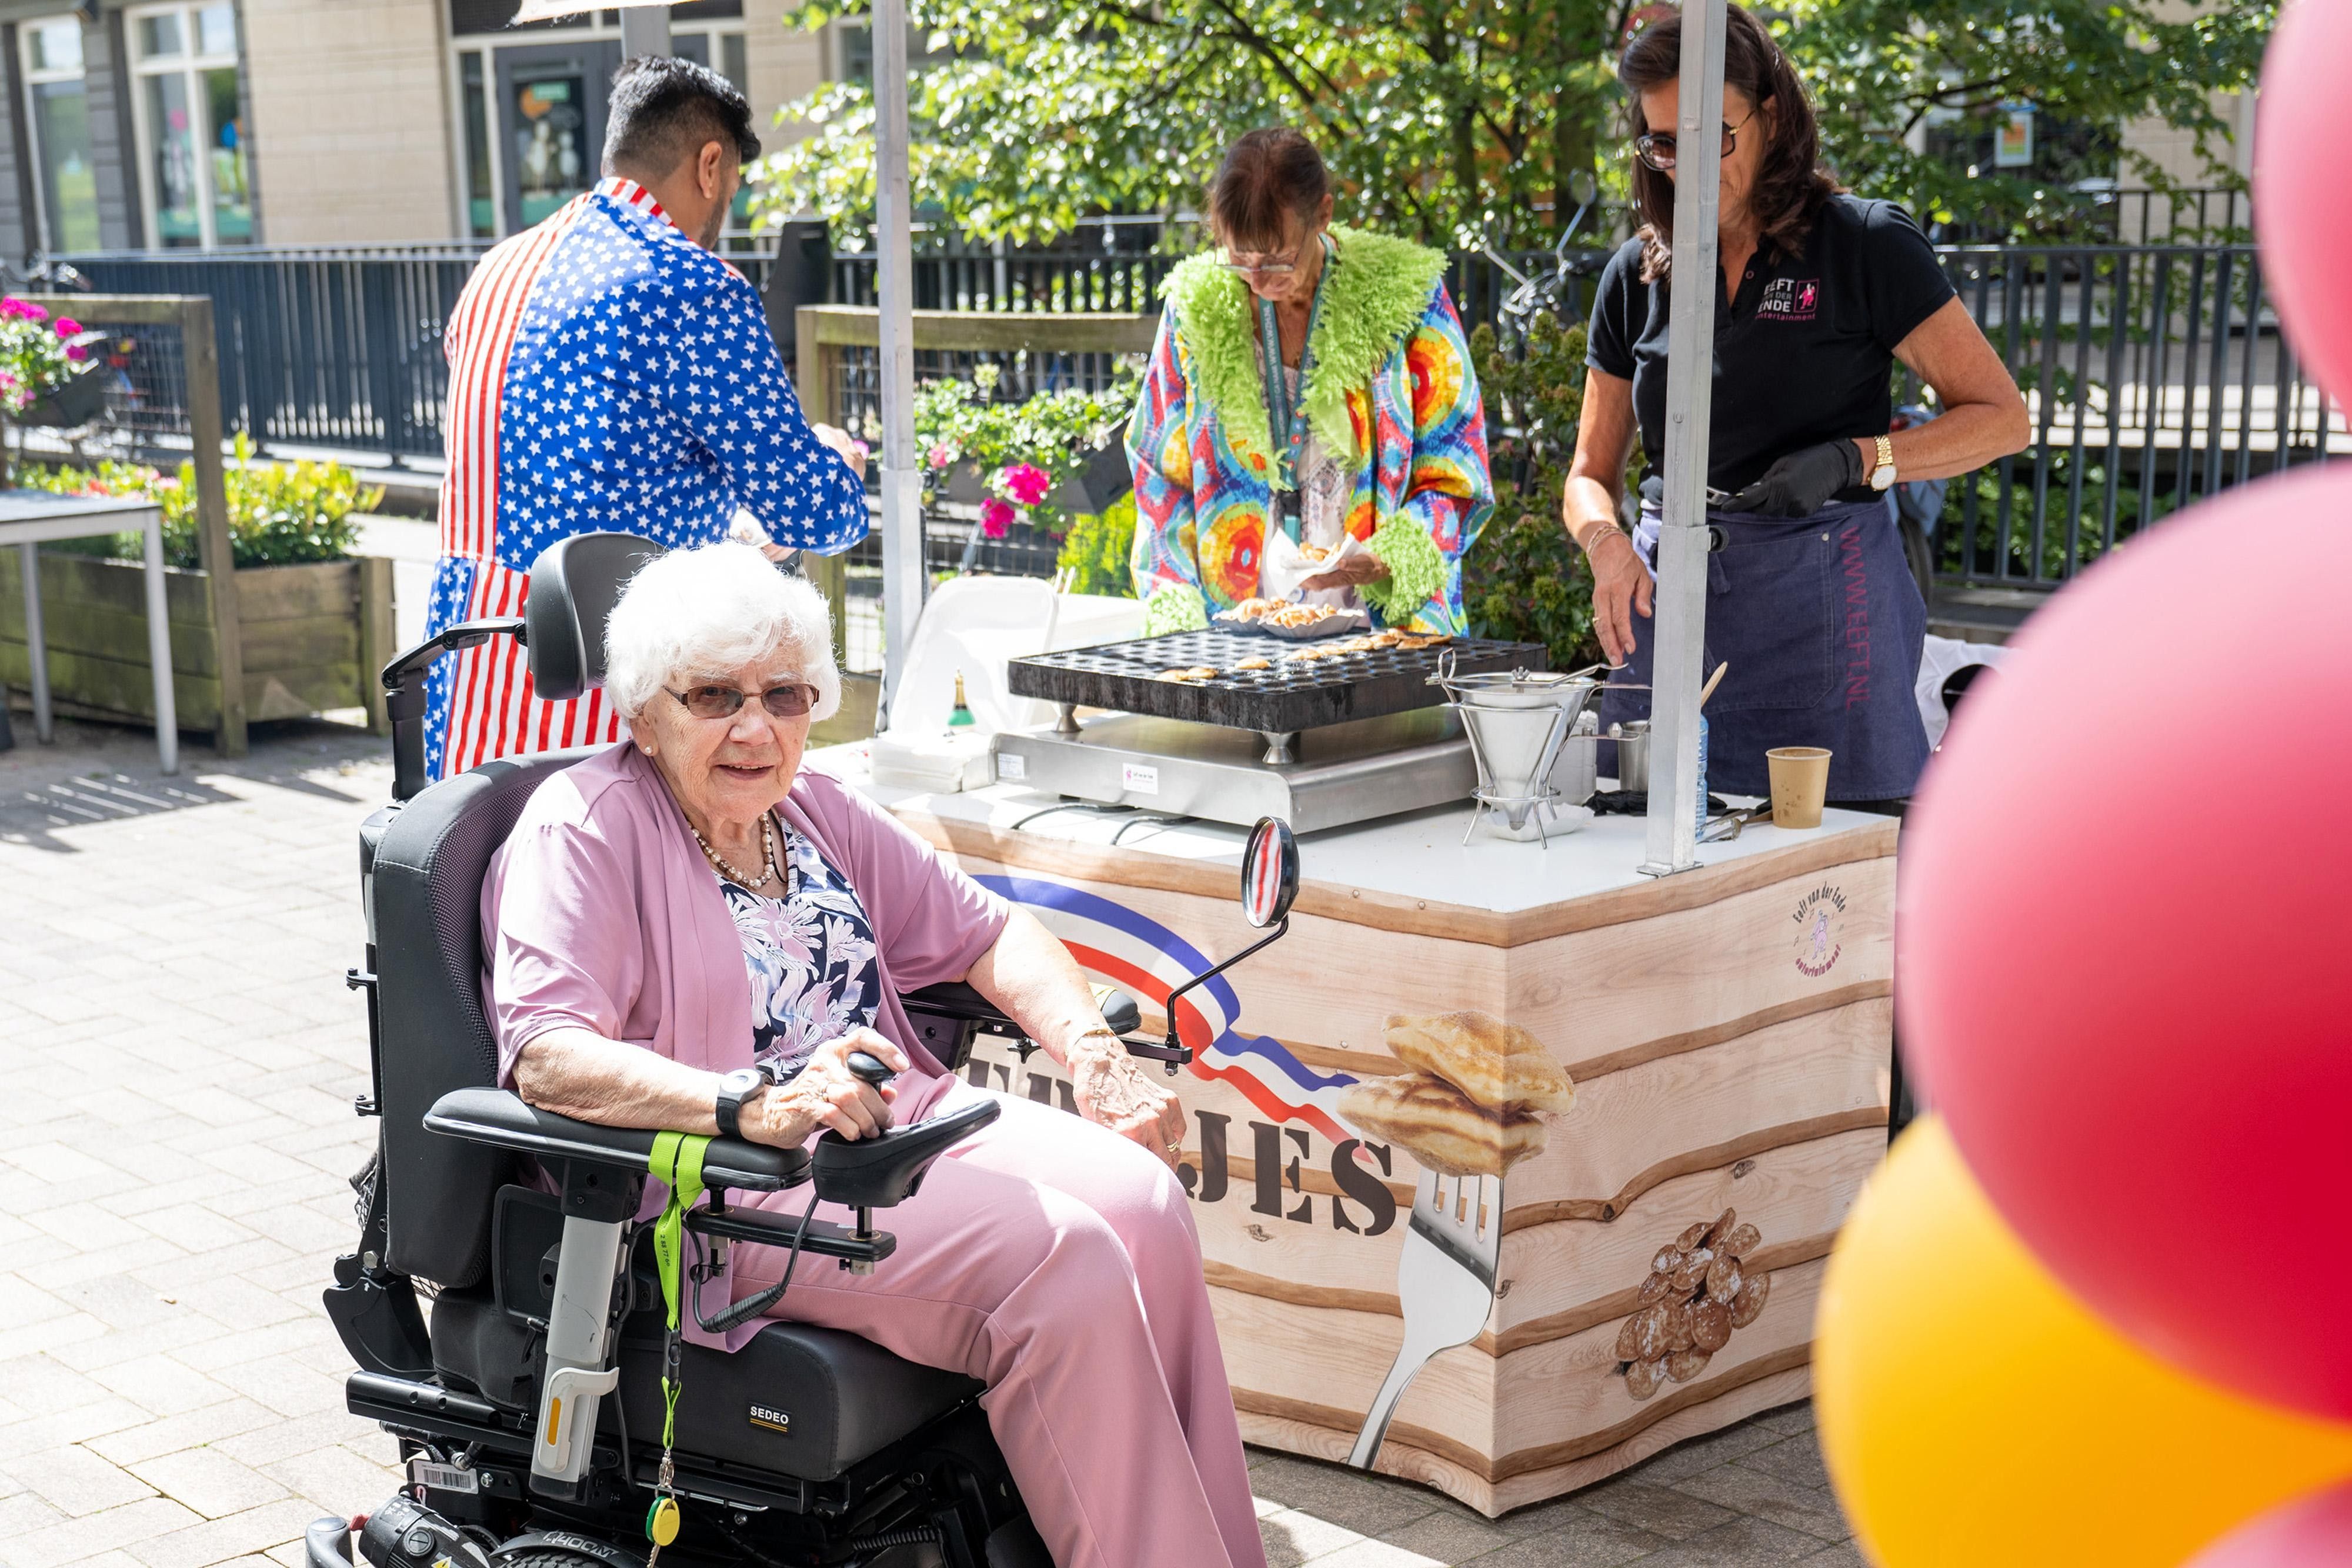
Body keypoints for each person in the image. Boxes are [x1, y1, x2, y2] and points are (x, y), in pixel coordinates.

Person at [481, 542, 1265, 1568]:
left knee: (1142, 1202)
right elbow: (547, 1056)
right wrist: (743, 1104)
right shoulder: (581, 830)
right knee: (1060, 1262)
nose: (755, 727)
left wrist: (1091, 1052)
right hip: (732, 1190)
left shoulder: (809, 813)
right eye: (714, 695)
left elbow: (992, 932)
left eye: (785, 695)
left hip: (893, 1132)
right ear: (643, 708)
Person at [1563, 6, 2029, 805]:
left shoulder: (1862, 244)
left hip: (1826, 606)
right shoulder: (1635, 273)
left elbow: (2000, 417)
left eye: (1710, 136)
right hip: (1665, 608)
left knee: (1833, 889)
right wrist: (1604, 544)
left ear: (1770, 116)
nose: (1685, 165)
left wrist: (1859, 459)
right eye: (1662, 142)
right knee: (1644, 887)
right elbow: (1586, 473)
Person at [422, 56, 870, 784]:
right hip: (599, 685)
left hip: (469, 678)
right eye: (729, 192)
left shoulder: (498, 269)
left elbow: (574, 472)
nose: (722, 217)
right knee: (610, 889)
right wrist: (838, 467)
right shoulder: (690, 287)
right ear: (709, 164)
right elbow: (814, 512)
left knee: (480, 887)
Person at [1127, 128, 1494, 634]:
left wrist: (1391, 556)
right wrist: (1175, 610)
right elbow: (1159, 476)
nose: (1258, 280)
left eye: (1278, 258)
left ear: (1322, 215)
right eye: (1240, 259)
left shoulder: (1408, 298)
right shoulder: (1194, 309)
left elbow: (1456, 466)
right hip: (1233, 631)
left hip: (1383, 628)